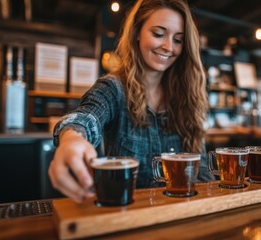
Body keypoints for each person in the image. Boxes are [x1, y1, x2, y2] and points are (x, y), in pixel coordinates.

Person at [48, 0, 214, 203]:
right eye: (158, 34)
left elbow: (203, 173)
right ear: (137, 33)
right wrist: (71, 139)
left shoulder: (188, 97)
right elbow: (85, 116)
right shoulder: (113, 89)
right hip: (128, 217)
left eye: (178, 40)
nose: (168, 47)